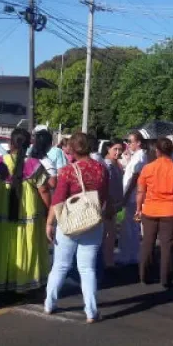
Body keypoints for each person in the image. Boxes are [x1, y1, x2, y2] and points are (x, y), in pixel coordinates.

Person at [44, 133, 111, 322]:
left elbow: (57, 201)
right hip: (92, 222)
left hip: (69, 222)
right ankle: (91, 311)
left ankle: (50, 303)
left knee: (60, 266)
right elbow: (104, 198)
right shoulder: (101, 169)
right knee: (87, 269)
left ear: (72, 149)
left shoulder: (67, 171)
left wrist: (49, 223)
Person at [0, 128, 52, 294]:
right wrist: (50, 211)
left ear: (10, 143)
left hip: (3, 214)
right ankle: (24, 283)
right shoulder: (34, 165)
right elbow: (43, 190)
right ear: (30, 144)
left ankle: (3, 280)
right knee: (26, 247)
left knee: (4, 247)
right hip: (28, 215)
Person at [136, 137, 173, 288]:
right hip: (170, 211)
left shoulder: (148, 168)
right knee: (167, 245)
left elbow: (140, 191)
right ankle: (165, 278)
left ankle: (144, 275)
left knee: (148, 242)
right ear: (172, 151)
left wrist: (138, 208)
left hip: (150, 209)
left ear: (157, 151)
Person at [116, 131, 147, 266]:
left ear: (138, 143)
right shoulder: (136, 156)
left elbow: (135, 178)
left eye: (130, 141)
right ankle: (130, 254)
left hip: (132, 196)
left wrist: (126, 195)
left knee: (129, 227)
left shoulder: (140, 156)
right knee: (130, 226)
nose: (128, 144)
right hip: (131, 195)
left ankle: (128, 255)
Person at [101, 139, 125, 268]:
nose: (118, 152)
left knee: (110, 233)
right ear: (108, 149)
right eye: (115, 149)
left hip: (114, 203)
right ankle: (107, 261)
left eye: (120, 149)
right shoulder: (107, 164)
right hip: (108, 204)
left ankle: (107, 259)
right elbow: (107, 187)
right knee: (108, 234)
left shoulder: (116, 164)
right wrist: (109, 204)